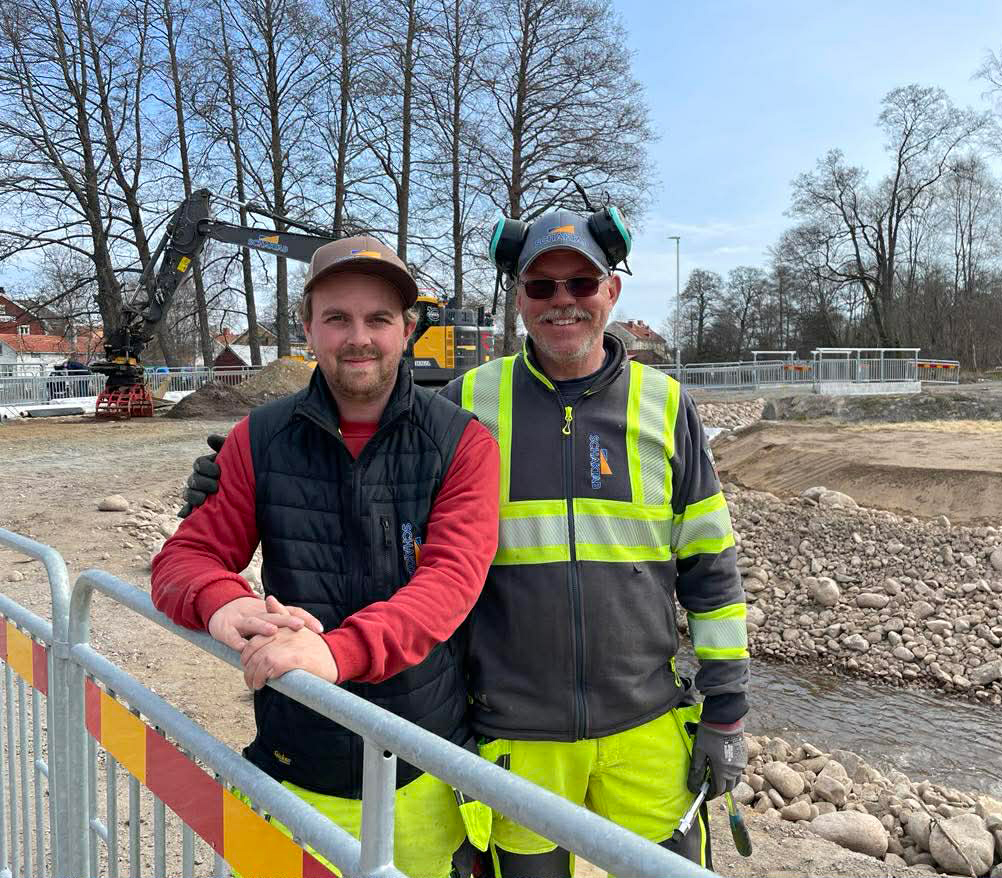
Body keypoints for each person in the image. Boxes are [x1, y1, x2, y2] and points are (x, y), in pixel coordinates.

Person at [179, 212, 748, 876]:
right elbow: (385, 469)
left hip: (645, 722)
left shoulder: (666, 406)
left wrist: (727, 708)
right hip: (515, 731)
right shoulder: (471, 402)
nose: (562, 300)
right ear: (519, 298)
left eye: (581, 283)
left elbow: (711, 567)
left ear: (611, 292)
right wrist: (230, 486)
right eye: (542, 286)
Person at [153, 234, 500, 878]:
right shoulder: (260, 438)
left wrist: (337, 653)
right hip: (297, 758)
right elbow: (185, 558)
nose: (358, 338)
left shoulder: (462, 443)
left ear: (408, 330)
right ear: (308, 327)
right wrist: (223, 603)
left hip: (420, 764)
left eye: (378, 319)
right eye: (337, 318)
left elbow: (452, 580)